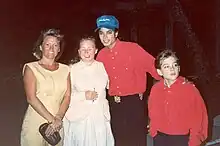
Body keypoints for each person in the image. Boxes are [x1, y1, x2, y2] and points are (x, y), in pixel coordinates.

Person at [95, 15, 161, 146]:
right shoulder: (100, 55)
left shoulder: (133, 49)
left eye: (109, 32)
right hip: (114, 105)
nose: (105, 37)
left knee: (136, 141)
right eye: (101, 33)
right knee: (119, 141)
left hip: (134, 104)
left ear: (116, 33)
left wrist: (174, 80)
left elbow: (155, 68)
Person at [20, 28, 71, 146]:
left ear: (59, 49)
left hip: (58, 124)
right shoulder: (31, 67)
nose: (51, 48)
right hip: (36, 122)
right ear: (41, 47)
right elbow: (31, 98)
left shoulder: (65, 69)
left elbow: (67, 96)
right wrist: (52, 120)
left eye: (55, 45)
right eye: (47, 44)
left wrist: (58, 118)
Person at [148, 49, 208, 146]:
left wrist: (194, 141)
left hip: (181, 139)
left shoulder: (189, 90)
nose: (172, 69)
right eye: (166, 67)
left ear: (179, 68)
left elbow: (199, 119)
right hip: (160, 137)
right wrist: (154, 131)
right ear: (159, 71)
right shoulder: (156, 89)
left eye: (174, 65)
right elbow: (152, 111)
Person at [63, 36, 114, 146]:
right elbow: (65, 95)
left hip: (100, 117)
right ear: (79, 51)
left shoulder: (101, 66)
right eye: (83, 49)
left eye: (90, 49)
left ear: (95, 50)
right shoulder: (72, 69)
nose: (86, 52)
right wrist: (83, 95)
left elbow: (111, 85)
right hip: (81, 118)